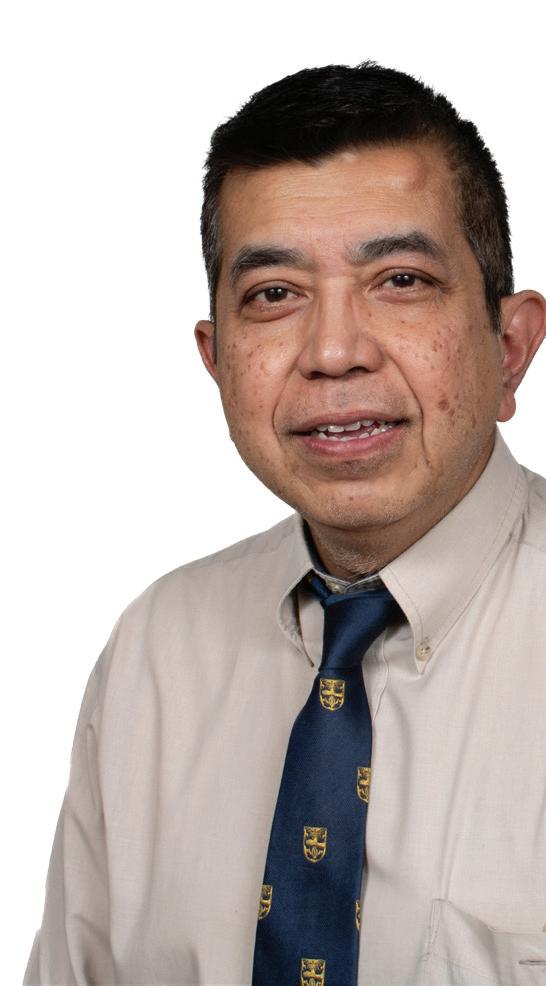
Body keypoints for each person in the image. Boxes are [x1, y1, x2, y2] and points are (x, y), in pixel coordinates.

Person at [25, 61, 546, 986]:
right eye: (274, 294)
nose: (334, 353)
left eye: (400, 279)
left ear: (510, 347)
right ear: (217, 358)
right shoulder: (157, 652)